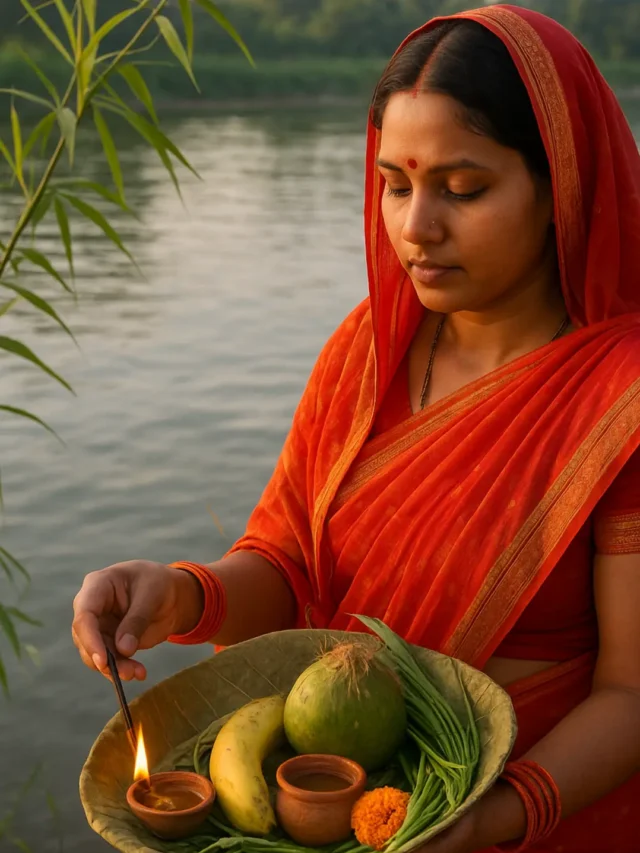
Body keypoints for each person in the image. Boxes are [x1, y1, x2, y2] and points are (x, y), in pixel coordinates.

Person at [72, 5, 640, 851]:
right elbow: (290, 564)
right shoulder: (367, 349)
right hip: (340, 805)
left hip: (533, 816)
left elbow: (631, 692)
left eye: (464, 188)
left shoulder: (620, 403)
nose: (416, 227)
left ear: (562, 182)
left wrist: (496, 814)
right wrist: (181, 594)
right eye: (394, 183)